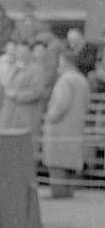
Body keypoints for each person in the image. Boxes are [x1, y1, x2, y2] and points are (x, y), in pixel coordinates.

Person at [43, 51, 90, 199]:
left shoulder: (65, 80)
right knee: (69, 169)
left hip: (59, 132)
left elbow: (61, 104)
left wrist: (49, 117)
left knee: (57, 168)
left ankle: (58, 196)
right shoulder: (82, 80)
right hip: (75, 131)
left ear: (64, 62)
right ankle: (67, 195)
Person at [0, 41, 48, 145]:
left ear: (30, 53)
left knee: (24, 149)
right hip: (8, 115)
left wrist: (17, 95)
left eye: (24, 52)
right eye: (18, 51)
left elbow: (37, 92)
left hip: (26, 117)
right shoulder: (12, 68)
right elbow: (5, 86)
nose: (20, 54)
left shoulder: (37, 70)